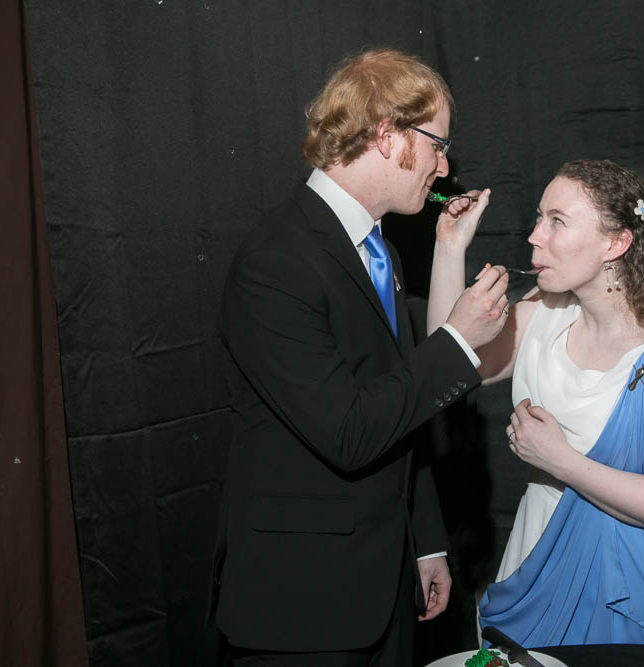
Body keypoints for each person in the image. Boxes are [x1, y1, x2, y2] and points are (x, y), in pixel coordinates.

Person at [211, 49, 510, 666]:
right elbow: (348, 431)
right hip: (304, 611)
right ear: (386, 135)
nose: (445, 165)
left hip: (385, 588)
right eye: (437, 144)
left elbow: (399, 411)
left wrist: (425, 542)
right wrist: (456, 341)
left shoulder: (382, 255)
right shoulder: (277, 261)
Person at [426, 159, 644, 655]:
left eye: (557, 222)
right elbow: (446, 364)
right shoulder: (544, 312)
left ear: (616, 243)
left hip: (633, 578)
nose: (535, 237)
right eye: (539, 219)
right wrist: (449, 246)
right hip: (537, 551)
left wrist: (561, 461)